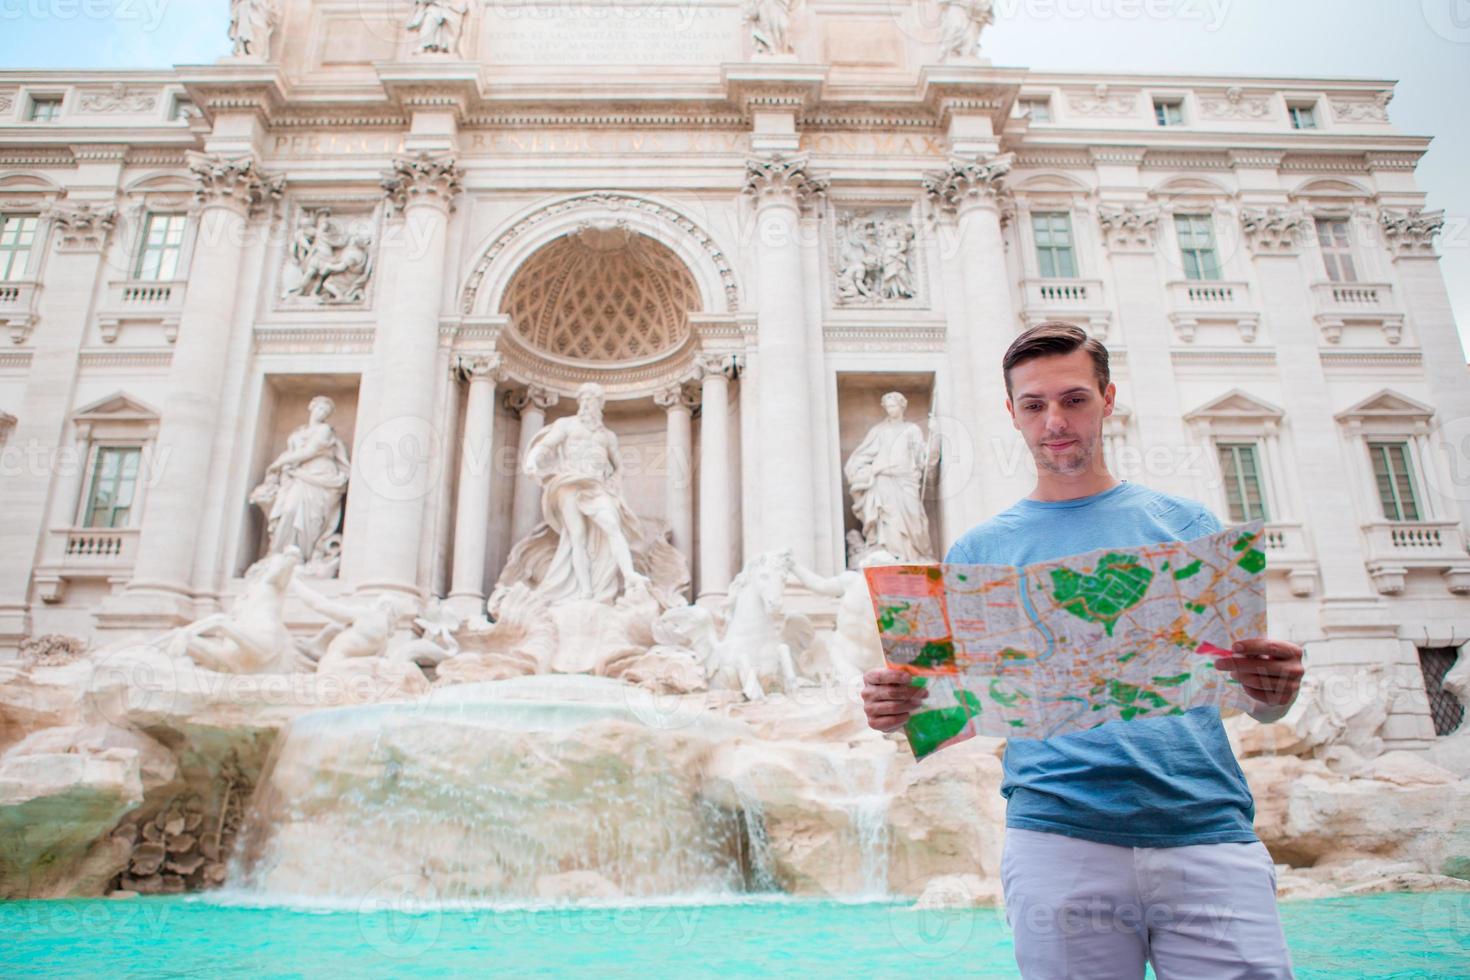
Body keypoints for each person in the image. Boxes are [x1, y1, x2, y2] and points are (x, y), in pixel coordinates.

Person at [862, 321, 1301, 979]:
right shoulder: (978, 554)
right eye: (1034, 405)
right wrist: (894, 709)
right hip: (1055, 841)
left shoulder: (1189, 527)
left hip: (1207, 831)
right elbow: (943, 715)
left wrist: (1274, 694)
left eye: (1074, 399)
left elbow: (1249, 705)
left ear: (1108, 399)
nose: (1055, 421)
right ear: (1012, 414)